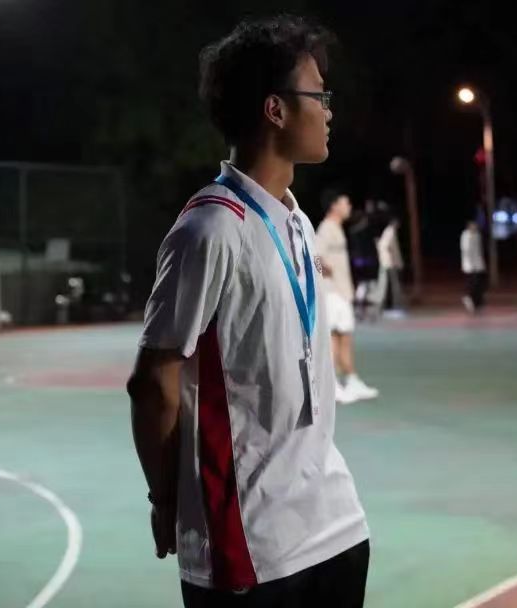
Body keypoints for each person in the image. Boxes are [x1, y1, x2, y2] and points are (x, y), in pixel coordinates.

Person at [126, 16, 370, 608]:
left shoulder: (296, 222)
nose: (329, 110)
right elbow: (153, 382)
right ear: (275, 109)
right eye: (319, 95)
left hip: (335, 522)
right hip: (252, 543)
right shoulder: (210, 229)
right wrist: (166, 499)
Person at [316, 187, 380, 403]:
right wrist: (326, 272)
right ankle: (332, 385)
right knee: (335, 338)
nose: (349, 207)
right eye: (345, 203)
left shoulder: (336, 228)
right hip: (333, 293)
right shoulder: (326, 228)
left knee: (344, 338)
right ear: (334, 205)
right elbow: (315, 257)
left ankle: (350, 381)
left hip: (341, 292)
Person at [374, 216, 406, 316]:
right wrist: (392, 261)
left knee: (389, 285)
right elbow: (385, 246)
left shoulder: (389, 231)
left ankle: (389, 305)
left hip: (388, 263)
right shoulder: (390, 232)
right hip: (389, 264)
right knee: (394, 285)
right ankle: (394, 305)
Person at [460, 220, 487, 313]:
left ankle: (478, 303)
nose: (474, 228)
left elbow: (479, 250)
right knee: (473, 283)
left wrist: (481, 264)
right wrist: (470, 264)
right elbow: (466, 250)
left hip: (478, 264)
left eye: (475, 226)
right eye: (472, 226)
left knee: (479, 283)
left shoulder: (477, 235)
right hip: (470, 265)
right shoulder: (466, 236)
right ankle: (469, 298)